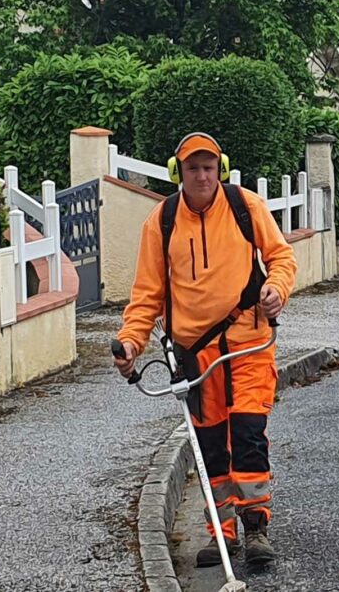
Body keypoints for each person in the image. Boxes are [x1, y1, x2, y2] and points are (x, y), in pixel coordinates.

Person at [113, 133, 297, 567]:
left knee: (248, 436)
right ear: (179, 172)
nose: (201, 175)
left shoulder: (245, 207)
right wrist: (130, 343)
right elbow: (147, 296)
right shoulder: (161, 222)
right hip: (196, 358)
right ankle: (222, 532)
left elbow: (282, 258)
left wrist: (276, 289)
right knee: (212, 446)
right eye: (193, 168)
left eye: (208, 167)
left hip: (249, 344)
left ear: (221, 169)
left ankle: (256, 528)